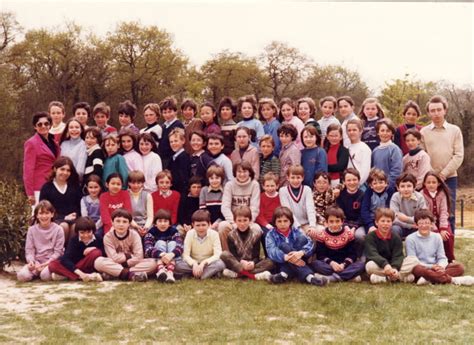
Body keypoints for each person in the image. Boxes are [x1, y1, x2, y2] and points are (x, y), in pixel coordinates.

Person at [421, 95, 464, 234]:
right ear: (428, 113)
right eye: (433, 110)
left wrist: (443, 174)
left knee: (448, 212)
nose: (436, 113)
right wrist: (433, 175)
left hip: (449, 178)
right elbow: (423, 156)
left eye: (439, 109)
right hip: (429, 179)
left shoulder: (455, 130)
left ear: (445, 110)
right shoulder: (424, 132)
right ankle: (431, 246)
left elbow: (458, 155)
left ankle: (449, 248)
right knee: (428, 213)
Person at [406, 209, 473, 286]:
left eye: (427, 223)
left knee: (459, 267)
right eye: (421, 223)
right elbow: (412, 261)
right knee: (416, 269)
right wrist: (431, 267)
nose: (424, 226)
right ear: (416, 225)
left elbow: (442, 257)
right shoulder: (410, 239)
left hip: (436, 267)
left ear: (432, 224)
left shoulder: (437, 237)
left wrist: (441, 267)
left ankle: (429, 279)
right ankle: (452, 280)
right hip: (422, 267)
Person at [265, 206, 328, 286]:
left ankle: (284, 275)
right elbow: (271, 251)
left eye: (285, 221)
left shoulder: (296, 231)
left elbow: (310, 244)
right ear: (275, 222)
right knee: (284, 246)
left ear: (290, 222)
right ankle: (310, 277)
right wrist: (285, 257)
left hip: (300, 258)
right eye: (279, 221)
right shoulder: (271, 234)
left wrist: (301, 253)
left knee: (302, 239)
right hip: (282, 262)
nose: (283, 224)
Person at [94, 209, 157, 282]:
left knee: (154, 263)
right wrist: (128, 255)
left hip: (129, 265)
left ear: (129, 224)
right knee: (98, 262)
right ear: (112, 222)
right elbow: (113, 258)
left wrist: (124, 263)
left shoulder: (134, 235)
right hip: (115, 263)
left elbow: (139, 257)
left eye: (124, 222)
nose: (121, 224)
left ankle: (116, 273)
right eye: (118, 221)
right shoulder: (108, 237)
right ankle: (131, 275)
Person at [311, 206, 365, 282]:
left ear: (342, 222)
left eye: (337, 221)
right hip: (329, 264)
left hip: (344, 264)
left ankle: (331, 278)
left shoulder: (348, 234)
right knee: (315, 263)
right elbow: (320, 255)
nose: (335, 224)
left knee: (361, 265)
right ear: (326, 222)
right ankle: (348, 276)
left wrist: (343, 265)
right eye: (331, 221)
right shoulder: (322, 235)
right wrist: (332, 263)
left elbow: (352, 254)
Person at [364, 208, 417, 284]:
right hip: (379, 265)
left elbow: (398, 255)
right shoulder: (370, 237)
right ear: (376, 222)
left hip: (393, 265)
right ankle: (399, 277)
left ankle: (387, 277)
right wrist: (385, 265)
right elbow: (372, 254)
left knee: (413, 260)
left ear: (392, 223)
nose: (385, 224)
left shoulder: (396, 237)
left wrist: (394, 268)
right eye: (382, 221)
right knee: (369, 265)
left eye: (388, 221)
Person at [221, 206, 273, 280]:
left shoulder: (256, 234)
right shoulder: (231, 235)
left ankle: (238, 274)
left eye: (245, 220)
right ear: (235, 221)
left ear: (250, 220)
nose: (242, 224)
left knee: (270, 262)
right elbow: (234, 255)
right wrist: (242, 262)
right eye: (239, 220)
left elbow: (256, 256)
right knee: (224, 254)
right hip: (238, 263)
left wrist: (252, 263)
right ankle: (253, 276)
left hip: (251, 264)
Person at [17, 201, 64, 282]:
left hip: (51, 262)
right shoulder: (31, 230)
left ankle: (48, 273)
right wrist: (31, 262)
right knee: (22, 276)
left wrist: (47, 263)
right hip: (36, 262)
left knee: (44, 276)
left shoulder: (58, 229)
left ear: (52, 214)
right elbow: (29, 250)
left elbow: (58, 252)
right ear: (37, 215)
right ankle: (35, 273)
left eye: (47, 213)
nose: (44, 216)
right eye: (41, 213)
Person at [218, 161, 261, 251]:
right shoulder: (229, 185)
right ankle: (228, 255)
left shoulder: (255, 185)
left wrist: (247, 222)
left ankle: (249, 257)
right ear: (235, 173)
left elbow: (255, 207)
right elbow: (225, 207)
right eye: (239, 172)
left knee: (257, 229)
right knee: (222, 226)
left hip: (248, 221)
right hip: (233, 221)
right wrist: (233, 223)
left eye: (245, 171)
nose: (242, 174)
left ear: (249, 172)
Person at [39, 156, 82, 244]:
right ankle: (58, 253)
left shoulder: (74, 186)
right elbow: (44, 210)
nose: (65, 173)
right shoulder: (47, 187)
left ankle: (69, 254)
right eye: (62, 169)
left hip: (73, 219)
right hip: (54, 220)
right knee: (64, 226)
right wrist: (63, 217)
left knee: (75, 227)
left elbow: (79, 206)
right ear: (55, 169)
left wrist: (75, 215)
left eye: (68, 170)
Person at [48, 216, 104, 282]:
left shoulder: (98, 239)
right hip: (75, 267)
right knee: (52, 264)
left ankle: (67, 275)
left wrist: (94, 248)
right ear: (78, 232)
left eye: (89, 232)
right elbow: (65, 258)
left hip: (89, 266)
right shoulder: (74, 240)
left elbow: (104, 255)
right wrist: (79, 272)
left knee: (97, 252)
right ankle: (86, 276)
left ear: (93, 231)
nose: (86, 235)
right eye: (82, 233)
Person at [174, 210, 226, 280]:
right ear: (193, 225)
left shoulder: (214, 234)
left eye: (203, 225)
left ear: (209, 224)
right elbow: (185, 255)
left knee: (221, 264)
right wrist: (194, 264)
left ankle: (196, 275)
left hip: (208, 263)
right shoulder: (190, 234)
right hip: (193, 263)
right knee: (177, 265)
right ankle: (207, 274)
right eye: (198, 225)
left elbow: (217, 254)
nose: (201, 228)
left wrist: (204, 263)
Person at [23, 111, 60, 206]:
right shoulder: (31, 143)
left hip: (53, 184)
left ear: (50, 125)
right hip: (39, 187)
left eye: (46, 123)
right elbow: (28, 170)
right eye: (39, 124)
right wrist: (30, 193)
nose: (43, 126)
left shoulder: (54, 142)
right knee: (39, 216)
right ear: (35, 127)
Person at [422, 172, 455, 262]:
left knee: (448, 235)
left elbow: (444, 211)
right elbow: (426, 214)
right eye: (428, 182)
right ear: (424, 183)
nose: (431, 185)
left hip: (442, 221)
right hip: (427, 222)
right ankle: (434, 259)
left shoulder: (442, 193)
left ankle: (450, 259)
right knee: (434, 237)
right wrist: (436, 230)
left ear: (438, 183)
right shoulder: (422, 194)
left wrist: (443, 228)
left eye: (434, 182)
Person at [143, 209, 184, 283]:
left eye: (165, 221)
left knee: (172, 243)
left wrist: (171, 254)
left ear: (169, 223)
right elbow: (148, 248)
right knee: (160, 243)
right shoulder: (151, 232)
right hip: (158, 259)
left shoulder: (173, 231)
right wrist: (162, 254)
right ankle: (161, 270)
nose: (163, 224)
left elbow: (180, 246)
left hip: (172, 258)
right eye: (160, 221)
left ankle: (169, 272)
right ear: (155, 223)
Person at [279, 165, 317, 240]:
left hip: (307, 223)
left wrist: (312, 226)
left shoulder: (307, 189)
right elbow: (288, 212)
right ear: (288, 178)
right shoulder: (283, 191)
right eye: (293, 177)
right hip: (292, 225)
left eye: (298, 177)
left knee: (318, 232)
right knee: (301, 237)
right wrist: (298, 227)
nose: (295, 180)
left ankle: (315, 252)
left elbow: (310, 209)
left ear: (302, 178)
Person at [336, 168, 365, 258]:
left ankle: (359, 257)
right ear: (344, 182)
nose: (352, 182)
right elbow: (340, 214)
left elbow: (363, 214)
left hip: (359, 224)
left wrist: (354, 228)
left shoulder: (363, 195)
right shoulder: (340, 195)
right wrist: (347, 227)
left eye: (354, 180)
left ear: (359, 181)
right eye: (348, 180)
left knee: (360, 236)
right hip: (344, 224)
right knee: (341, 234)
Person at [390, 173, 427, 239]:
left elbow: (423, 217)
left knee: (423, 228)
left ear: (414, 187)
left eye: (409, 186)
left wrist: (406, 218)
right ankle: (397, 248)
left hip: (416, 226)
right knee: (394, 229)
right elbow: (393, 218)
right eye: (402, 186)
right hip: (401, 226)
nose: (406, 189)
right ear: (398, 188)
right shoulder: (395, 197)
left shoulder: (419, 197)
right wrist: (409, 225)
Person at [361, 169, 395, 234]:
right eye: (375, 183)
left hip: (386, 218)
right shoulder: (368, 192)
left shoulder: (390, 191)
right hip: (371, 219)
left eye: (381, 182)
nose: (378, 185)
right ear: (371, 185)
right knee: (371, 233)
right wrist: (370, 225)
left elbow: (391, 208)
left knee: (389, 232)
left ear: (386, 183)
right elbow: (364, 210)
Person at [371, 118, 403, 189]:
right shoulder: (375, 151)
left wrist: (387, 186)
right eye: (382, 131)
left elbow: (396, 171)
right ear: (378, 132)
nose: (385, 133)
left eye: (388, 131)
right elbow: (373, 170)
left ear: (392, 133)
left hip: (389, 188)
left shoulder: (394, 149)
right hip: (376, 187)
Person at [157, 96, 184, 170]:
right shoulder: (163, 126)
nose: (167, 115)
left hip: (172, 159)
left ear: (175, 111)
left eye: (170, 112)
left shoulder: (178, 125)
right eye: (164, 112)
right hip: (162, 159)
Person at [346, 118, 371, 187]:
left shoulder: (364, 148)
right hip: (348, 184)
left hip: (359, 185)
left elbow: (365, 171)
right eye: (349, 130)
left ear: (360, 131)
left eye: (354, 130)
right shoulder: (347, 148)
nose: (351, 132)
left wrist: (357, 184)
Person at [128, 170, 153, 237]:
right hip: (131, 225)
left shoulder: (148, 195)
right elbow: (127, 216)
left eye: (139, 183)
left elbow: (150, 216)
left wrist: (146, 227)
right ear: (129, 183)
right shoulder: (126, 196)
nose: (136, 185)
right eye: (133, 183)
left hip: (145, 225)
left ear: (142, 183)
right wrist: (136, 227)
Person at [199, 165, 225, 230]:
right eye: (211, 178)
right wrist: (209, 223)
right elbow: (203, 210)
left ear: (221, 178)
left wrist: (217, 222)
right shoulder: (204, 190)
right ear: (208, 179)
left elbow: (225, 210)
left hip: (221, 221)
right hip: (207, 222)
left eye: (217, 178)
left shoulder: (225, 190)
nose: (214, 180)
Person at [324, 124, 349, 188]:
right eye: (331, 136)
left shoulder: (344, 150)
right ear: (327, 136)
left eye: (336, 136)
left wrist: (324, 167)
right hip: (325, 180)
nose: (333, 138)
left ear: (340, 137)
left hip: (338, 181)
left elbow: (340, 167)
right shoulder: (325, 149)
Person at [168, 128, 191, 195]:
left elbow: (184, 179)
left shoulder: (184, 157)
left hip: (181, 193)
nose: (173, 143)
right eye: (171, 142)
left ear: (183, 141)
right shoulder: (173, 157)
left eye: (176, 141)